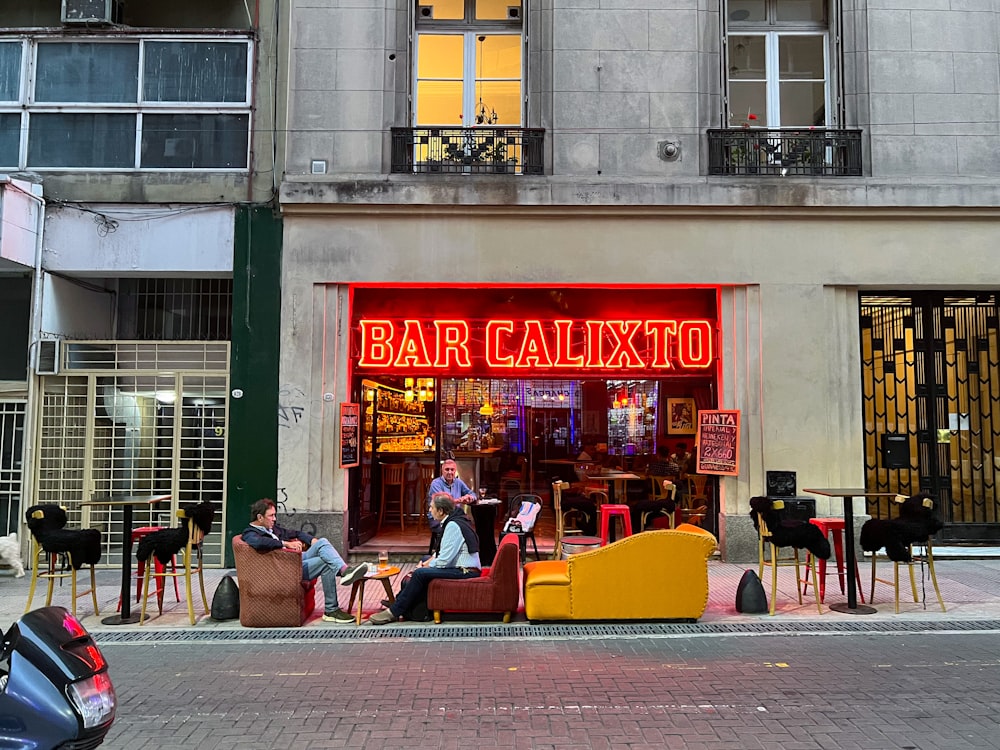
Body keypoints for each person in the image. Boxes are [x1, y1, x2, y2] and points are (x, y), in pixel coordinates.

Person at [241, 498, 369, 623]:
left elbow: (294, 533)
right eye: (271, 516)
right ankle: (332, 607)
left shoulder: (272, 529)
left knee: (322, 542)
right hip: (285, 569)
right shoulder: (250, 533)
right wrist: (285, 544)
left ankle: (344, 572)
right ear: (260, 518)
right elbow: (259, 542)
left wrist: (311, 540)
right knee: (326, 564)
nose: (274, 519)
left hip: (295, 560)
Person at [368, 493, 481, 624]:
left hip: (465, 571)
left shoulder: (453, 526)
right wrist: (426, 562)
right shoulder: (452, 521)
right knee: (424, 559)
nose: (429, 510)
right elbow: (440, 553)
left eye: (431, 507)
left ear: (440, 511)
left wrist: (424, 567)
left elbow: (444, 561)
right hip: (459, 567)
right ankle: (401, 602)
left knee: (419, 573)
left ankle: (394, 611)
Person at [425, 458, 476, 551]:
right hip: (438, 517)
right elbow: (442, 502)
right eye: (447, 469)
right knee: (454, 528)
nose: (450, 472)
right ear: (442, 470)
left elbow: (472, 494)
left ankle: (462, 552)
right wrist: (459, 500)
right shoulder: (436, 483)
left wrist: (469, 498)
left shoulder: (458, 482)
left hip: (455, 516)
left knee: (467, 527)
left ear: (455, 471)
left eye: (452, 470)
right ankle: (446, 553)